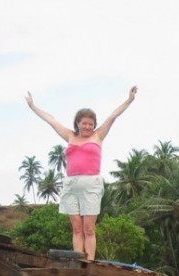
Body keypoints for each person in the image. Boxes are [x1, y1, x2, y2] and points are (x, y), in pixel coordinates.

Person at [25, 86, 138, 261]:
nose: (87, 126)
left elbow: (113, 116)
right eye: (84, 123)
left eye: (90, 124)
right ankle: (78, 260)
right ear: (77, 123)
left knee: (89, 229)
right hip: (71, 185)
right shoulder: (70, 136)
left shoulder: (98, 136)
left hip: (91, 184)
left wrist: (129, 99)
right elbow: (51, 120)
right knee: (77, 228)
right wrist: (33, 106)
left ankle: (89, 262)